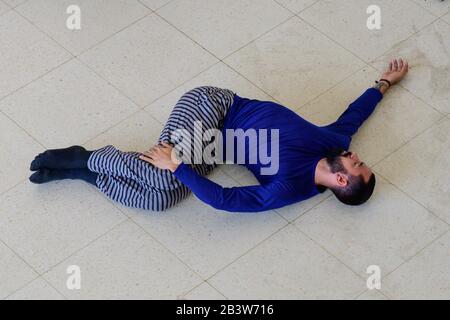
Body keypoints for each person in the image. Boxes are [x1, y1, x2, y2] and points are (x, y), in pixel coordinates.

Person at [29, 58, 409, 213]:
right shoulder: (334, 143)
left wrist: (180, 167)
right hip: (216, 106)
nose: (354, 154)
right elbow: (356, 115)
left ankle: (86, 174)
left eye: (356, 164)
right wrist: (383, 83)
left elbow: (225, 200)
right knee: (160, 175)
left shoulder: (289, 189)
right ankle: (82, 156)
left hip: (215, 146)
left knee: (161, 200)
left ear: (341, 180)